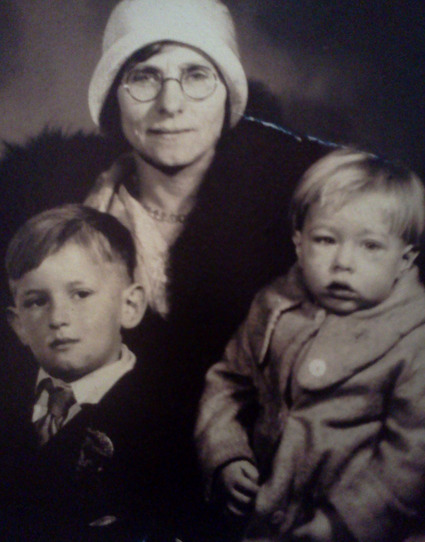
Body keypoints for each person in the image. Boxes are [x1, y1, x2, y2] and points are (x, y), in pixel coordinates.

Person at [0, 0, 334, 529]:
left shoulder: (316, 221)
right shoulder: (42, 212)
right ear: (113, 96)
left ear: (228, 94)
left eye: (197, 74)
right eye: (144, 77)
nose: (170, 103)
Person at [195, 149, 425, 541]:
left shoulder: (414, 338)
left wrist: (343, 523)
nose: (343, 263)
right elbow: (226, 383)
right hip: (262, 516)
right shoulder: (275, 305)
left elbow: (411, 457)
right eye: (326, 239)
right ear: (299, 244)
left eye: (370, 246)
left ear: (404, 261)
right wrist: (225, 455)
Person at [0, 204, 177, 541]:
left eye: (80, 294)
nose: (58, 318)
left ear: (130, 306)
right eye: (37, 301)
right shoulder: (8, 403)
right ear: (18, 323)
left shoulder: (165, 417)